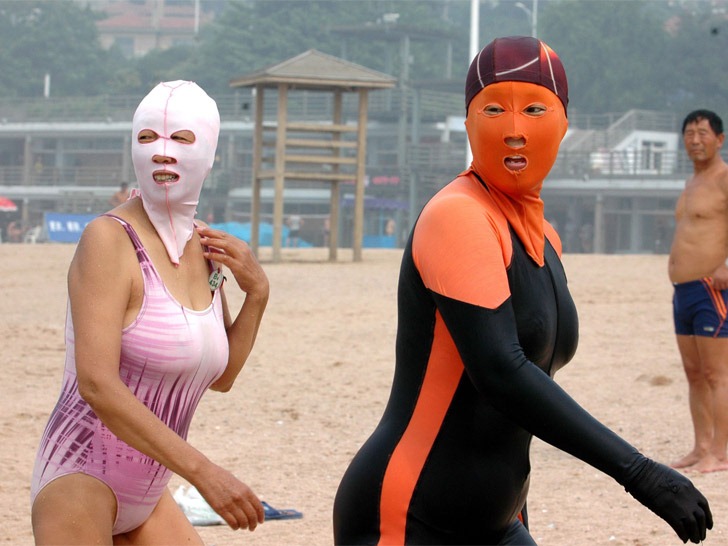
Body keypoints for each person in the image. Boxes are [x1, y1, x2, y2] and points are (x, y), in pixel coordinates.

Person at [333, 36, 712, 545]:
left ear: (563, 123)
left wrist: (518, 510)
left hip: (500, 520)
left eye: (534, 109)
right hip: (407, 518)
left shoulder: (544, 238)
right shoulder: (458, 216)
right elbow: (500, 373)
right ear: (470, 123)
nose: (514, 130)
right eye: (494, 110)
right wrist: (640, 473)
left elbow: (520, 405)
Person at [30, 81, 269, 544]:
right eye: (147, 138)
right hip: (80, 477)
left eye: (180, 138)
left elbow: (222, 376)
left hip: (149, 492)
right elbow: (96, 384)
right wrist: (204, 472)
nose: (162, 152)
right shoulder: (108, 240)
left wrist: (257, 293)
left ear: (209, 153)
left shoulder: (205, 246)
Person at [668, 108, 728, 473]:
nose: (695, 140)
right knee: (693, 372)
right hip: (684, 290)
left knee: (716, 374)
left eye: (703, 133)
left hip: (711, 289)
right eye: (689, 134)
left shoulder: (724, 178)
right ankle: (701, 446)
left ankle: (721, 452)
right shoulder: (691, 183)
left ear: (719, 139)